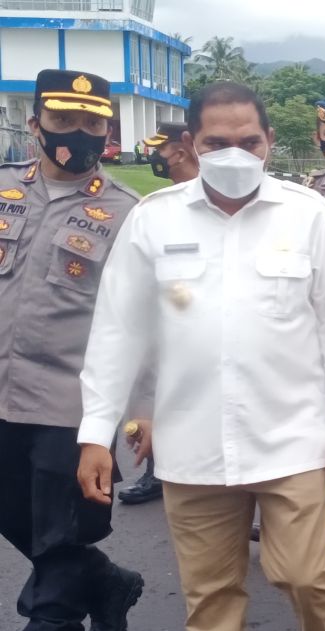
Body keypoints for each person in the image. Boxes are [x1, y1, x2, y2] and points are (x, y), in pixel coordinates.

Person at [76, 81, 325, 631]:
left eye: (249, 141)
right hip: (192, 445)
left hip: (294, 438)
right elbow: (120, 331)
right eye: (216, 143)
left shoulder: (307, 218)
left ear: (270, 143)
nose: (234, 154)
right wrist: (97, 433)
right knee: (210, 597)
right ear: (191, 147)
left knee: (308, 576)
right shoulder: (153, 220)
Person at [0, 69, 144, 631]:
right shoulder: (3, 194)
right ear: (35, 124)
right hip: (3, 398)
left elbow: (144, 321)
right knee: (20, 522)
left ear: (108, 133)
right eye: (64, 121)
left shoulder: (124, 212)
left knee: (57, 539)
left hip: (71, 405)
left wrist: (137, 409)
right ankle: (108, 582)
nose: (77, 136)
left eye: (93, 124)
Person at [117, 121, 202, 507]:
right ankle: (155, 470)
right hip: (157, 322)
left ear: (180, 151)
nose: (155, 157)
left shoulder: (209, 202)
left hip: (197, 327)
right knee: (152, 396)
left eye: (159, 149)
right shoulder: (156, 208)